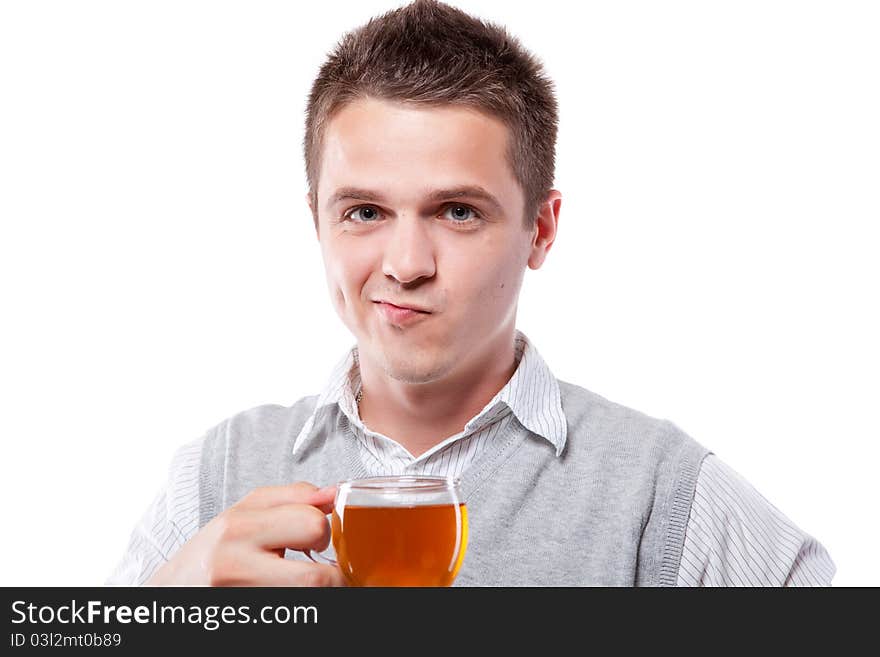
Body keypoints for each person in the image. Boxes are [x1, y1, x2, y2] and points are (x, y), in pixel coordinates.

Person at [107, 0, 835, 587]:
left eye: (457, 211)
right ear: (318, 222)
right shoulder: (214, 478)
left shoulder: (657, 494)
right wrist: (167, 607)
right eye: (365, 211)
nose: (406, 263)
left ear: (540, 230)